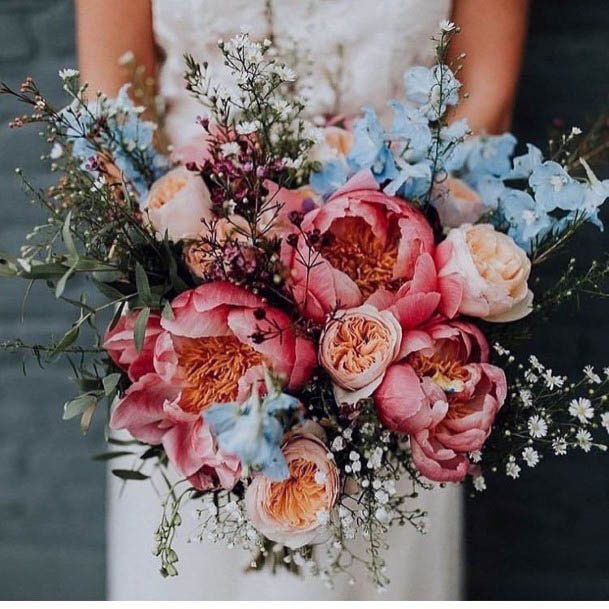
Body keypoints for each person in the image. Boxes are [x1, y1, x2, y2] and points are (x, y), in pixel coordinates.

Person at [75, 0, 530, 600]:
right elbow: (113, 109)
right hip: (196, 337)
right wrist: (202, 263)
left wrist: (377, 296)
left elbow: (484, 101)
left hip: (391, 325)